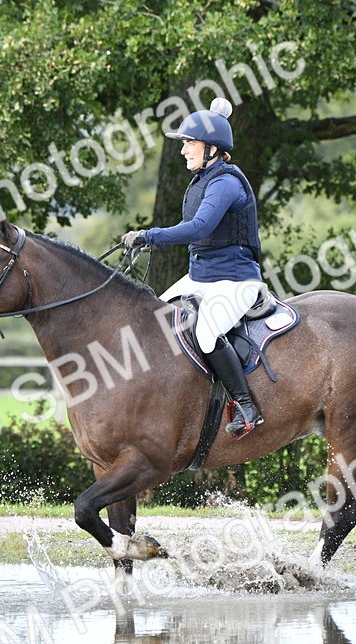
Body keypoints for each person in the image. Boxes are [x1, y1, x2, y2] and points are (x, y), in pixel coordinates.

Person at [123, 97, 266, 438]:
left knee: (205, 333)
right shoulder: (203, 178)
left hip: (235, 280)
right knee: (150, 320)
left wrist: (150, 235)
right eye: (185, 143)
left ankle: (246, 405)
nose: (184, 150)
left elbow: (200, 228)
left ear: (212, 148)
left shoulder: (226, 183)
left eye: (189, 142)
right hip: (201, 278)